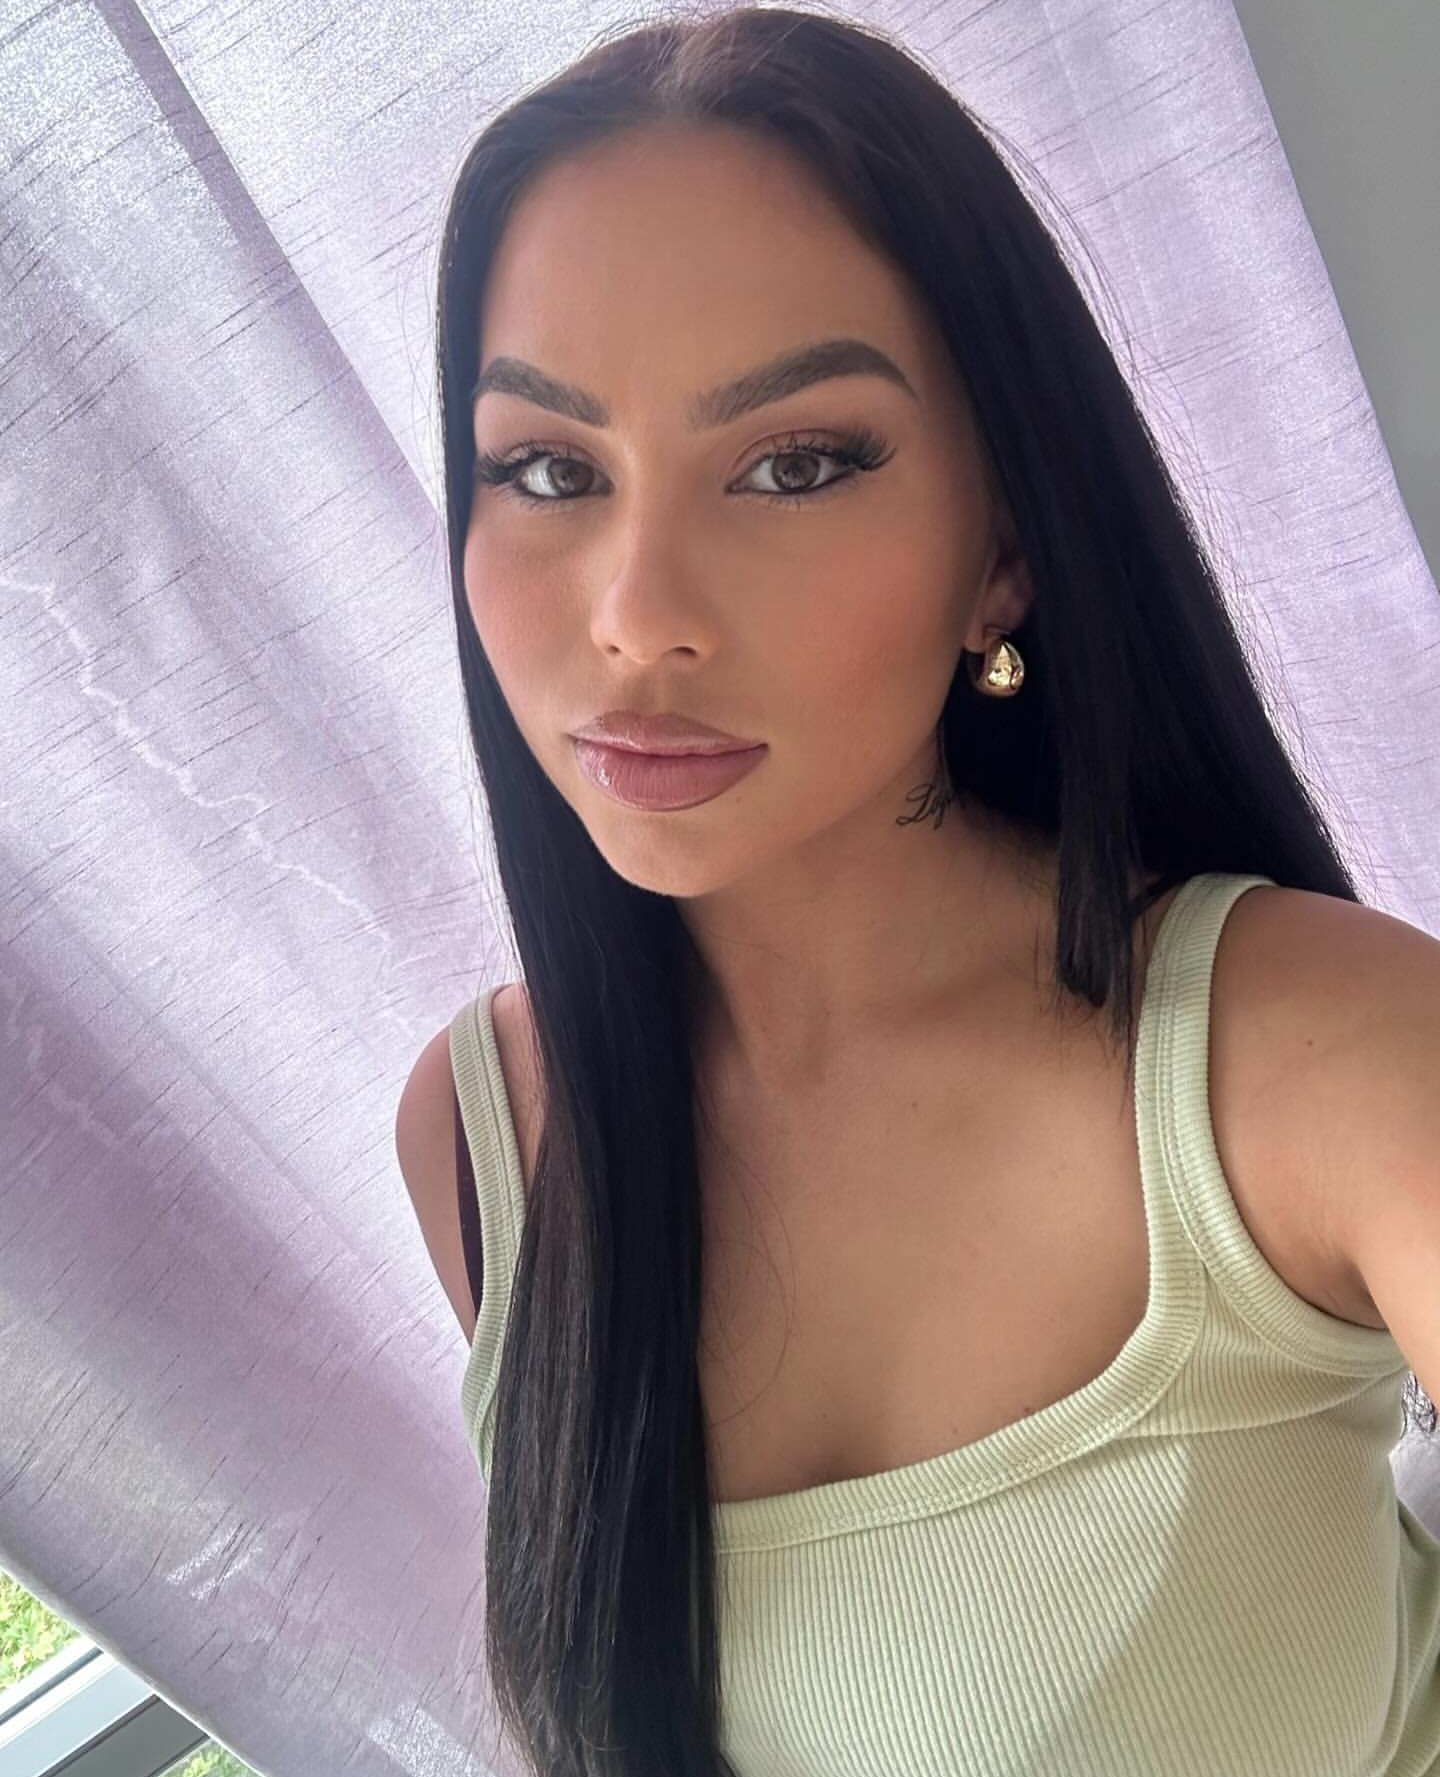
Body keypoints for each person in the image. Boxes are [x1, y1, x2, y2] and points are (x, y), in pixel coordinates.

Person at [394, 9, 1439, 1774]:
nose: (638, 616)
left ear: (1003, 544)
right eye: (551, 470)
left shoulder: (1307, 1052)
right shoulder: (490, 1137)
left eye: (795, 463)